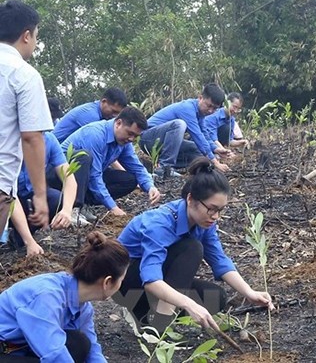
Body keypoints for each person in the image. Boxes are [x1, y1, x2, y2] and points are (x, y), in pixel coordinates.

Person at [114, 158, 274, 333]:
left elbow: (219, 260)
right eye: (211, 208)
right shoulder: (159, 224)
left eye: (220, 210)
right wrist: (189, 304)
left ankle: (146, 316)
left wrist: (249, 293)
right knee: (192, 248)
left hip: (157, 280)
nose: (215, 216)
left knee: (215, 298)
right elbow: (151, 279)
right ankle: (159, 325)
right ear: (191, 199)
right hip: (127, 282)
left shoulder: (204, 223)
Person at [0, 231, 129, 362]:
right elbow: (54, 354)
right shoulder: (47, 297)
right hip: (5, 348)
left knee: (79, 343)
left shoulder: (82, 306)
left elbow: (93, 351)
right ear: (107, 282)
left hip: (20, 348)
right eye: (121, 280)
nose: (121, 285)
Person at [0, 0, 53, 238]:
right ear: (26, 35)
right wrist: (40, 195)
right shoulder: (23, 74)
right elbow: (32, 137)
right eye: (36, 37)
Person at [62, 107, 161, 217]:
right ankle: (74, 208)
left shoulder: (124, 142)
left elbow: (136, 167)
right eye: (130, 133)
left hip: (87, 178)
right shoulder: (95, 134)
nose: (131, 139)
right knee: (85, 157)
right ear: (118, 123)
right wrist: (113, 207)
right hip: (62, 177)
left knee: (129, 180)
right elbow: (94, 175)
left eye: (135, 136)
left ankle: (86, 203)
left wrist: (150, 186)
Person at [8, 131, 92, 256]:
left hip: (29, 197)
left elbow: (69, 179)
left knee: (55, 199)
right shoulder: (7, 145)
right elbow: (10, 197)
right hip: (6, 199)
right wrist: (29, 242)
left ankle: (19, 237)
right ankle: (22, 237)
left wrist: (66, 211)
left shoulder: (49, 140)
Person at [139, 84, 230, 178]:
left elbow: (204, 135)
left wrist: (215, 149)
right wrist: (215, 162)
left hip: (164, 143)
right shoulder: (187, 108)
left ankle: (172, 167)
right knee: (179, 124)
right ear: (200, 98)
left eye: (215, 108)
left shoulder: (200, 113)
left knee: (197, 150)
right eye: (209, 106)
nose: (211, 111)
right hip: (148, 139)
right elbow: (198, 137)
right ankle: (164, 168)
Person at [53, 88, 128, 142]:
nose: (115, 116)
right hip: (55, 150)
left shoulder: (102, 116)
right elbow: (98, 143)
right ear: (104, 101)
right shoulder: (90, 114)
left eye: (118, 113)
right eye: (113, 111)